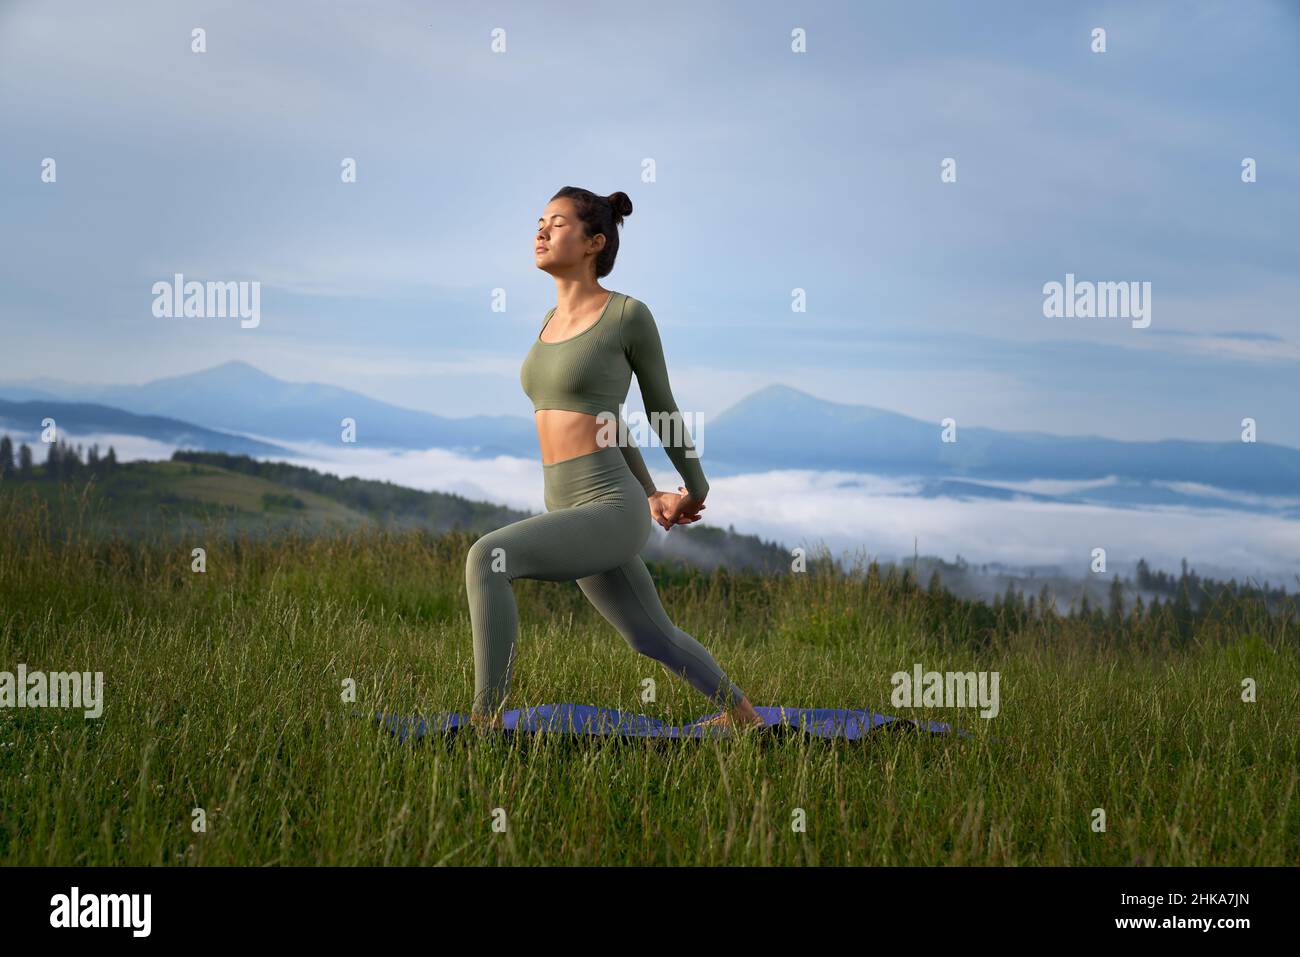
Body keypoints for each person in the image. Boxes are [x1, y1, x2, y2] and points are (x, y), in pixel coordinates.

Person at [465, 186, 762, 732]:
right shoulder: (548, 322)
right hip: (573, 504)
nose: (541, 230)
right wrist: (651, 490)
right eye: (539, 221)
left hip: (608, 506)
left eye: (557, 223)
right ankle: (746, 718)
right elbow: (608, 420)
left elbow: (660, 407)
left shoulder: (626, 315)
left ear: (594, 242)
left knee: (489, 559)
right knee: (649, 635)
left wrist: (693, 489)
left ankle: (483, 724)